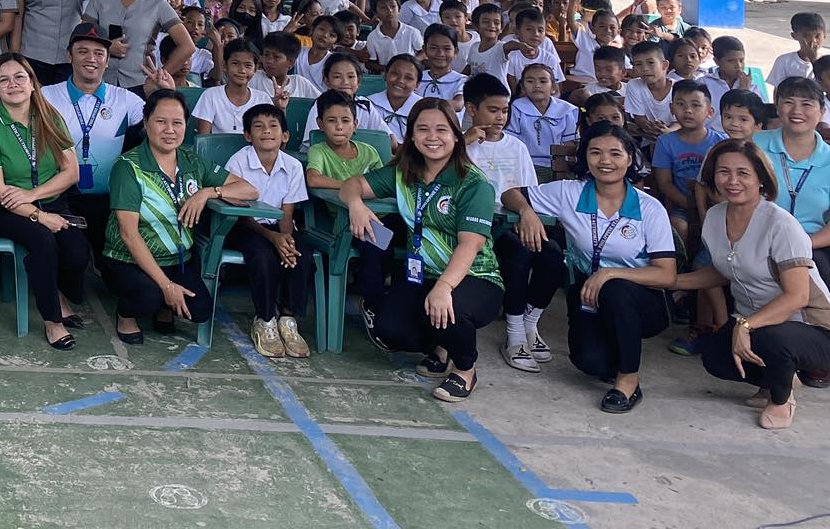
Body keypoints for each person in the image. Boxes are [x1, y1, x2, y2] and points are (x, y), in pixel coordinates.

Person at [500, 125, 675, 412]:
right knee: (589, 362)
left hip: (641, 301)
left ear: (630, 159)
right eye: (595, 153)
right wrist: (527, 211)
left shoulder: (649, 208)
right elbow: (510, 194)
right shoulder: (570, 193)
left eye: (615, 153)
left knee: (615, 289)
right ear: (586, 158)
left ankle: (628, 382)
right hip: (587, 296)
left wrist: (609, 273)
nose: (605, 161)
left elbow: (667, 274)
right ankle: (614, 354)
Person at [339, 99, 503, 403]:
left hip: (474, 276)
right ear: (411, 136)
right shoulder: (404, 173)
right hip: (423, 272)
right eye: (423, 129)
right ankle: (442, 347)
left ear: (456, 135)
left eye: (442, 130)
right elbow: (351, 184)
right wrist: (356, 204)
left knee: (450, 308)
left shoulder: (473, 183)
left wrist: (443, 287)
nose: (432, 137)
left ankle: (465, 368)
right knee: (389, 330)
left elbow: (471, 244)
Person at [677, 138, 830, 429]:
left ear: (761, 179)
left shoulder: (781, 225)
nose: (732, 180)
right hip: (757, 320)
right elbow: (725, 270)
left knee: (773, 338)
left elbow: (797, 297)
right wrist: (674, 281)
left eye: (743, 173)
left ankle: (781, 397)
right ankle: (773, 378)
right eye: (723, 172)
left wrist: (745, 326)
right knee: (715, 355)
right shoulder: (715, 217)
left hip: (813, 328)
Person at [102, 87, 255, 342]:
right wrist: (166, 286)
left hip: (177, 259)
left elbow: (249, 189)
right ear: (146, 121)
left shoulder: (191, 160)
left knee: (201, 311)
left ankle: (165, 304)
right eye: (161, 121)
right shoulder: (128, 166)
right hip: (127, 260)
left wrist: (207, 192)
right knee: (148, 297)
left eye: (177, 123)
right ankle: (127, 314)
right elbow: (128, 234)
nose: (169, 130)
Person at [0, 53, 92, 349]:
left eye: (19, 77)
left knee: (77, 252)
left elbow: (71, 172)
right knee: (42, 242)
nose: (13, 84)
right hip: (4, 208)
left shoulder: (50, 117)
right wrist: (38, 215)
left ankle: (59, 294)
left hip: (48, 200)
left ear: (32, 83)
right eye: (4, 80)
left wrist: (34, 196)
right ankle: (53, 321)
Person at [40, 23, 146, 255]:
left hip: (108, 199)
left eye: (99, 53)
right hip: (60, 197)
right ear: (69, 56)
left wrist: (162, 93)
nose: (92, 58)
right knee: (72, 257)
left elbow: (159, 124)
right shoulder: (46, 96)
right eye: (82, 51)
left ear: (108, 60)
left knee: (109, 265)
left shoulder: (126, 100)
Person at [224, 102, 313, 358]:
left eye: (273, 126)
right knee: (262, 258)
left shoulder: (293, 166)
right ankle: (264, 319)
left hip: (279, 226)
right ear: (248, 135)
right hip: (246, 225)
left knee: (300, 255)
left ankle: (287, 317)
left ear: (285, 136)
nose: (266, 131)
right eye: (258, 127)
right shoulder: (239, 161)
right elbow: (240, 214)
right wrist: (272, 238)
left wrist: (285, 239)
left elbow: (288, 212)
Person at [754, 77, 830, 285]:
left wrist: (802, 244)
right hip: (758, 240)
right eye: (789, 102)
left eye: (807, 104)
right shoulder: (755, 145)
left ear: (822, 111)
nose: (797, 111)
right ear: (777, 107)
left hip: (813, 245)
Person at [87, 0, 187, 93]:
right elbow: (81, 37)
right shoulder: (99, 0)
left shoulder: (157, 4)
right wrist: (106, 46)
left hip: (140, 82)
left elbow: (186, 46)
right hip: (100, 80)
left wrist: (159, 75)